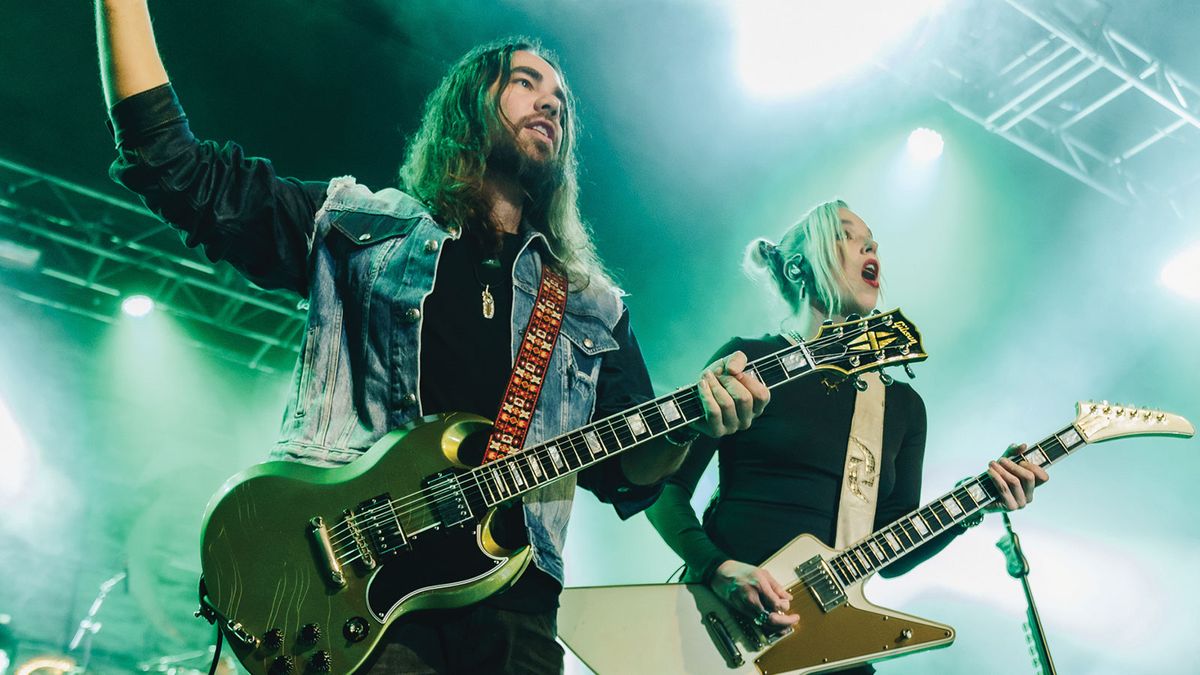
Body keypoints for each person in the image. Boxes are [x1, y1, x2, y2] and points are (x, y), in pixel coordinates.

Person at [94, 2, 769, 672]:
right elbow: (175, 166)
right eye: (526, 82)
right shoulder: (362, 229)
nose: (552, 104)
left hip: (514, 612)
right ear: (468, 106)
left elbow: (628, 474)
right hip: (359, 594)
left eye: (562, 99)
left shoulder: (591, 305)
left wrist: (688, 426)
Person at [646, 199, 1048, 672]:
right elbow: (662, 487)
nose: (870, 245)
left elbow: (892, 553)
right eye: (846, 235)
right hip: (719, 630)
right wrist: (719, 569)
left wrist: (975, 500)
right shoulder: (749, 360)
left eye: (872, 240)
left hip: (829, 649)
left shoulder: (901, 405)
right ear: (799, 267)